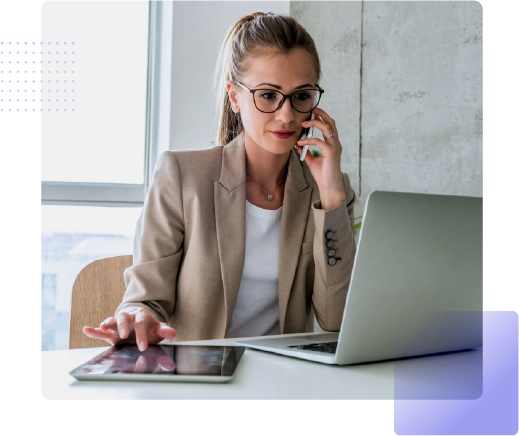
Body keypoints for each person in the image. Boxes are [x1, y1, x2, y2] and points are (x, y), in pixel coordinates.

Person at [84, 11, 357, 352]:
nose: (286, 115)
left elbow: (336, 320)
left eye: (301, 96)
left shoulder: (327, 191)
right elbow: (145, 299)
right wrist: (138, 318)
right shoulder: (181, 176)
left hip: (283, 381)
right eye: (268, 95)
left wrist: (331, 195)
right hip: (197, 382)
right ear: (234, 95)